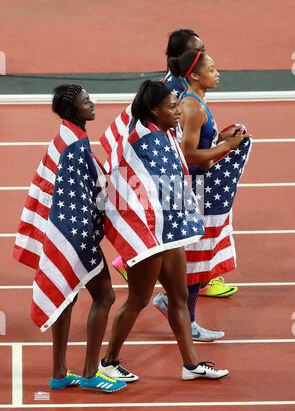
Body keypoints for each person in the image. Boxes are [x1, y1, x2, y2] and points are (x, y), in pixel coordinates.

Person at [98, 80, 229, 382]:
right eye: (172, 107)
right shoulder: (138, 139)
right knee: (139, 299)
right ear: (154, 110)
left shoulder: (166, 133)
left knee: (179, 296)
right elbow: (124, 178)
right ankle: (108, 360)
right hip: (149, 232)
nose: (178, 112)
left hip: (171, 229)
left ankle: (191, 365)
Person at [13, 84, 126, 393]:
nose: (92, 104)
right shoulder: (74, 145)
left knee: (68, 295)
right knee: (105, 297)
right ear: (72, 107)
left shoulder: (65, 137)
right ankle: (91, 373)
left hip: (60, 233)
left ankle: (60, 372)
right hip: (72, 236)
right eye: (85, 100)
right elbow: (88, 192)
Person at [154, 50, 252, 326]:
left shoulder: (197, 103)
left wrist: (222, 137)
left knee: (196, 254)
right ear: (195, 76)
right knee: (197, 257)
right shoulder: (193, 107)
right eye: (212, 68)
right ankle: (186, 317)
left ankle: (176, 305)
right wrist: (226, 147)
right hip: (193, 188)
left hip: (196, 186)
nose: (217, 72)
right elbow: (188, 155)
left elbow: (197, 143)